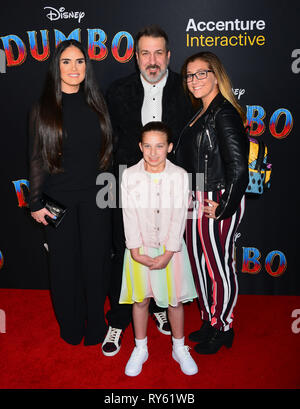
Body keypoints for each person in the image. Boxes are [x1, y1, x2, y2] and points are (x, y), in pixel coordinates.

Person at [102, 25, 193, 356]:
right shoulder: (117, 91)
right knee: (127, 249)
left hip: (172, 184)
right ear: (135, 56)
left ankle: (159, 307)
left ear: (168, 56)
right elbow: (106, 141)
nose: (152, 61)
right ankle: (119, 318)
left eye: (159, 53)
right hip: (128, 184)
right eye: (145, 53)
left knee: (169, 246)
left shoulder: (187, 90)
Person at [28, 39, 113, 346]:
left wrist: (110, 197)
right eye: (66, 61)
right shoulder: (43, 108)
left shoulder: (98, 103)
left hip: (96, 198)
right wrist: (35, 202)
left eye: (80, 61)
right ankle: (71, 324)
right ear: (56, 67)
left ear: (86, 67)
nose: (74, 67)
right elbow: (37, 157)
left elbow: (108, 154)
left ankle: (95, 324)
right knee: (63, 265)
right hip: (57, 201)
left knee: (95, 261)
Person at [175, 51, 249, 354]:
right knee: (199, 265)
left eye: (201, 73)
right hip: (197, 196)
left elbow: (239, 168)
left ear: (216, 75)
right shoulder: (200, 112)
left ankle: (224, 326)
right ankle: (209, 318)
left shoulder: (224, 113)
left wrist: (225, 207)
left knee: (218, 267)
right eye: (189, 76)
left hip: (217, 197)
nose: (194, 81)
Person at [119, 121, 198, 376]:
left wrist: (168, 252)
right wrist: (134, 250)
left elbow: (178, 216)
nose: (153, 153)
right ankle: (140, 347)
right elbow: (128, 214)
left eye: (160, 146)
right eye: (148, 146)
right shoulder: (129, 175)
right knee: (140, 299)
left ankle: (178, 346)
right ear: (140, 146)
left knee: (174, 302)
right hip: (139, 248)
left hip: (170, 249)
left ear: (170, 147)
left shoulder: (179, 176)